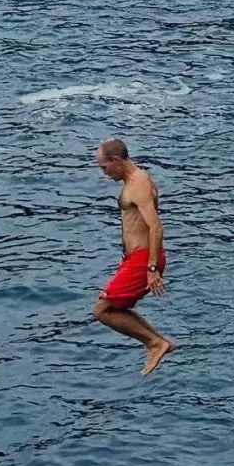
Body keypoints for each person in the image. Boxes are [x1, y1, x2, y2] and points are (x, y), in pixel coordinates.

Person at [91, 138, 174, 376]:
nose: (104, 174)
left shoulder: (139, 183)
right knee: (116, 307)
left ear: (116, 161)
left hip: (144, 258)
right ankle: (159, 342)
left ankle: (155, 343)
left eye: (104, 167)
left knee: (102, 310)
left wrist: (151, 268)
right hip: (135, 258)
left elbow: (156, 227)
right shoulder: (132, 181)